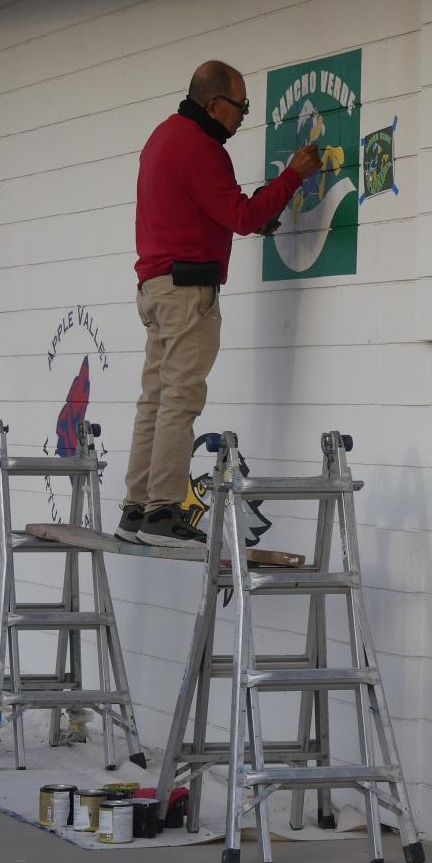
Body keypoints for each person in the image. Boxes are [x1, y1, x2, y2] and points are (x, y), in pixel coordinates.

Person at [116, 61, 322, 547]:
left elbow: (207, 213)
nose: (242, 118)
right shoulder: (202, 148)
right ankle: (163, 512)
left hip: (155, 287)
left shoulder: (163, 137)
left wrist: (254, 214)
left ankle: (135, 507)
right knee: (180, 400)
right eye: (240, 108)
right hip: (188, 292)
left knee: (155, 398)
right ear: (214, 105)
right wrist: (292, 176)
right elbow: (242, 216)